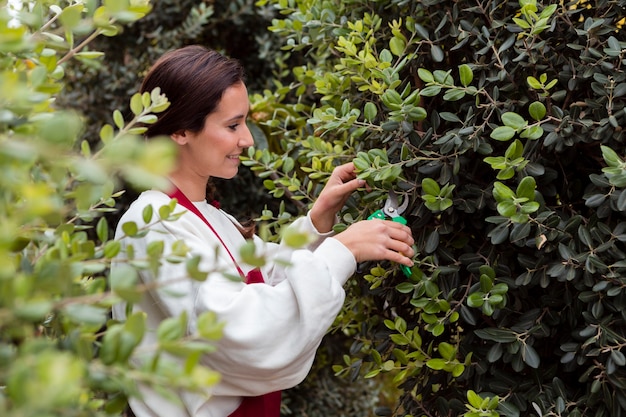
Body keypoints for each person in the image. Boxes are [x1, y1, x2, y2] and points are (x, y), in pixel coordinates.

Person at [111, 45, 415, 417]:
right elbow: (239, 331)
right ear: (180, 130)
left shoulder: (205, 216)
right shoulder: (154, 226)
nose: (247, 140)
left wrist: (318, 221)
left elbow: (264, 276)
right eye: (232, 125)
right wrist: (343, 251)